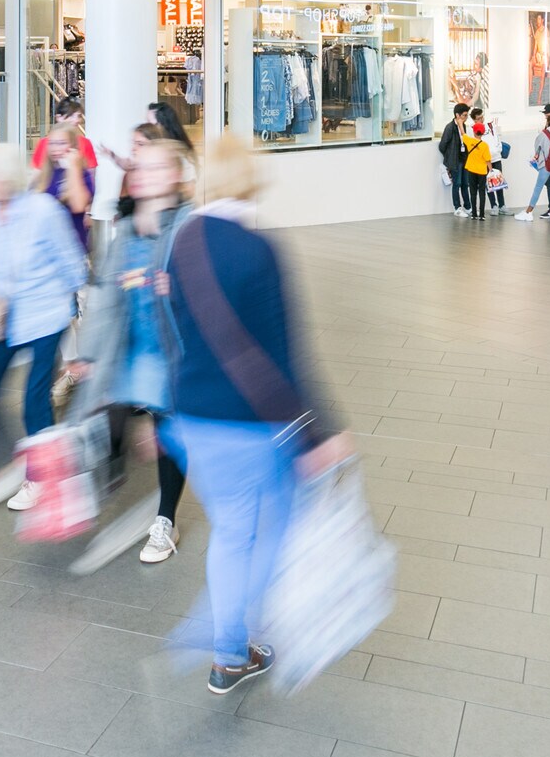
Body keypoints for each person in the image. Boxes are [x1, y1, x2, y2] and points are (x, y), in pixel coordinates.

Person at [162, 138, 350, 693]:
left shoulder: (182, 241)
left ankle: (227, 648)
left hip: (193, 417)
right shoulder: (258, 249)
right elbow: (285, 352)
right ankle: (231, 637)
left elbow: (172, 330)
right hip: (250, 424)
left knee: (231, 533)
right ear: (250, 179)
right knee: (280, 527)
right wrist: (318, 433)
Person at [69, 136, 195, 565]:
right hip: (127, 346)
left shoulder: (187, 226)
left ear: (177, 176)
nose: (145, 177)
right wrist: (86, 352)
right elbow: (105, 292)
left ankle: (165, 517)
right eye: (141, 169)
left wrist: (180, 288)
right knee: (111, 417)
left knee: (167, 431)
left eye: (158, 169)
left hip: (169, 349)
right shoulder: (124, 229)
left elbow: (211, 289)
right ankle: (107, 476)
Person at [0, 144, 88, 511]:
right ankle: (20, 457)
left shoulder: (42, 211)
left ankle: (39, 476)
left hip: (46, 315)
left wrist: (73, 318)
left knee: (34, 401)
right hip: (9, 314)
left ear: (7, 176)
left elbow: (73, 266)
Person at [38, 121, 95, 249]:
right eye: (51, 143)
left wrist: (73, 167)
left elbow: (78, 206)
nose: (55, 148)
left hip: (71, 246)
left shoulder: (82, 174)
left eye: (61, 143)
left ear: (73, 145)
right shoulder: (46, 173)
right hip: (47, 245)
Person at [516, 105, 550, 222]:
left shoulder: (544, 134)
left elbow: (537, 148)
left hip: (546, 165)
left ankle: (528, 212)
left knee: (538, 188)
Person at [30, 99, 99, 173]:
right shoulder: (44, 143)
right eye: (71, 115)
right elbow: (37, 173)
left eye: (79, 116)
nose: (76, 120)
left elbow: (91, 175)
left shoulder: (85, 143)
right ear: (59, 118)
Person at [438, 103, 470, 216]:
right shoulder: (450, 128)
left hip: (463, 159)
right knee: (457, 184)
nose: (466, 118)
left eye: (467, 115)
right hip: (455, 161)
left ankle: (468, 206)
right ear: (457, 115)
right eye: (464, 115)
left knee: (465, 183)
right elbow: (442, 145)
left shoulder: (463, 126)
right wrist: (449, 156)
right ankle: (457, 207)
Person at [461, 113, 492, 218]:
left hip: (471, 170)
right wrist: (491, 171)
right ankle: (482, 215)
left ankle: (474, 214)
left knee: (473, 192)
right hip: (482, 171)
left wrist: (460, 123)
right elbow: (488, 160)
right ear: (483, 133)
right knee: (482, 193)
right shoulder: (484, 146)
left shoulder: (469, 141)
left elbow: (462, 133)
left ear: (474, 132)